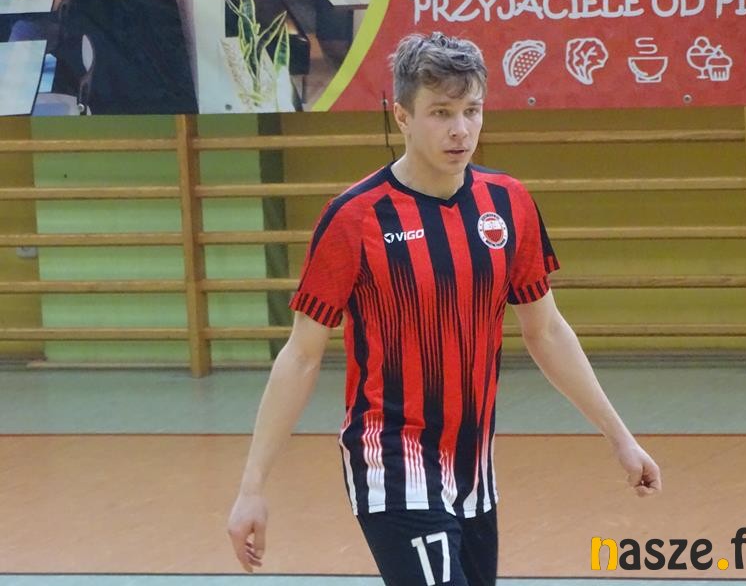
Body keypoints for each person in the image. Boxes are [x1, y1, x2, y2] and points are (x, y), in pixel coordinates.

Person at [227, 31, 662, 585]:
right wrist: (252, 487)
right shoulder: (354, 218)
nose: (460, 129)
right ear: (402, 116)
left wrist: (621, 439)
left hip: (474, 471)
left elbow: (547, 331)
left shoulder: (508, 202)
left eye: (471, 110)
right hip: (393, 463)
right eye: (440, 113)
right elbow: (301, 356)